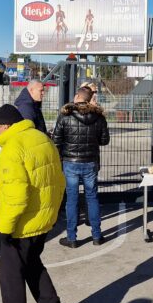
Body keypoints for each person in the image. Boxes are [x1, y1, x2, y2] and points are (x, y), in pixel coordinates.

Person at [0, 104, 73, 303]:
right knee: (33, 267)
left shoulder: (12, 147)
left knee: (11, 278)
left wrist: (4, 229)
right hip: (42, 221)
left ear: (5, 126)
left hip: (20, 226)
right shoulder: (42, 138)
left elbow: (15, 195)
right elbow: (59, 181)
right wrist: (52, 214)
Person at [51, 87, 110, 247]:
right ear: (90, 99)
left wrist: (61, 156)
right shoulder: (99, 117)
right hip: (90, 162)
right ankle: (97, 236)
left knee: (72, 199)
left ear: (77, 96)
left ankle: (72, 238)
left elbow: (56, 140)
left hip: (70, 162)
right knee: (92, 197)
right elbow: (104, 140)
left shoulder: (65, 115)